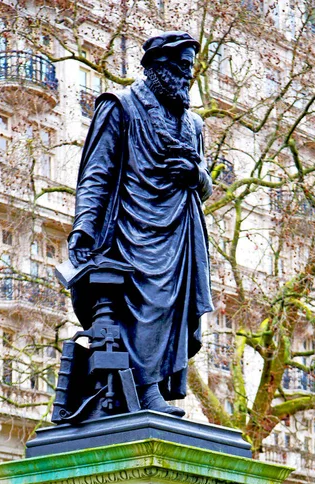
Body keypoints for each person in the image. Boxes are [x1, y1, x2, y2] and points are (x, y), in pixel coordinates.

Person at [67, 32, 213, 418]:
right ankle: (145, 391)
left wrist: (195, 175)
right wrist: (84, 227)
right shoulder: (121, 107)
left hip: (181, 231)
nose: (187, 79)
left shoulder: (194, 124)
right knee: (146, 306)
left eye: (190, 71)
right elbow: (96, 174)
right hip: (134, 228)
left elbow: (205, 183)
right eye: (181, 70)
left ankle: (156, 391)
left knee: (173, 312)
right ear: (158, 69)